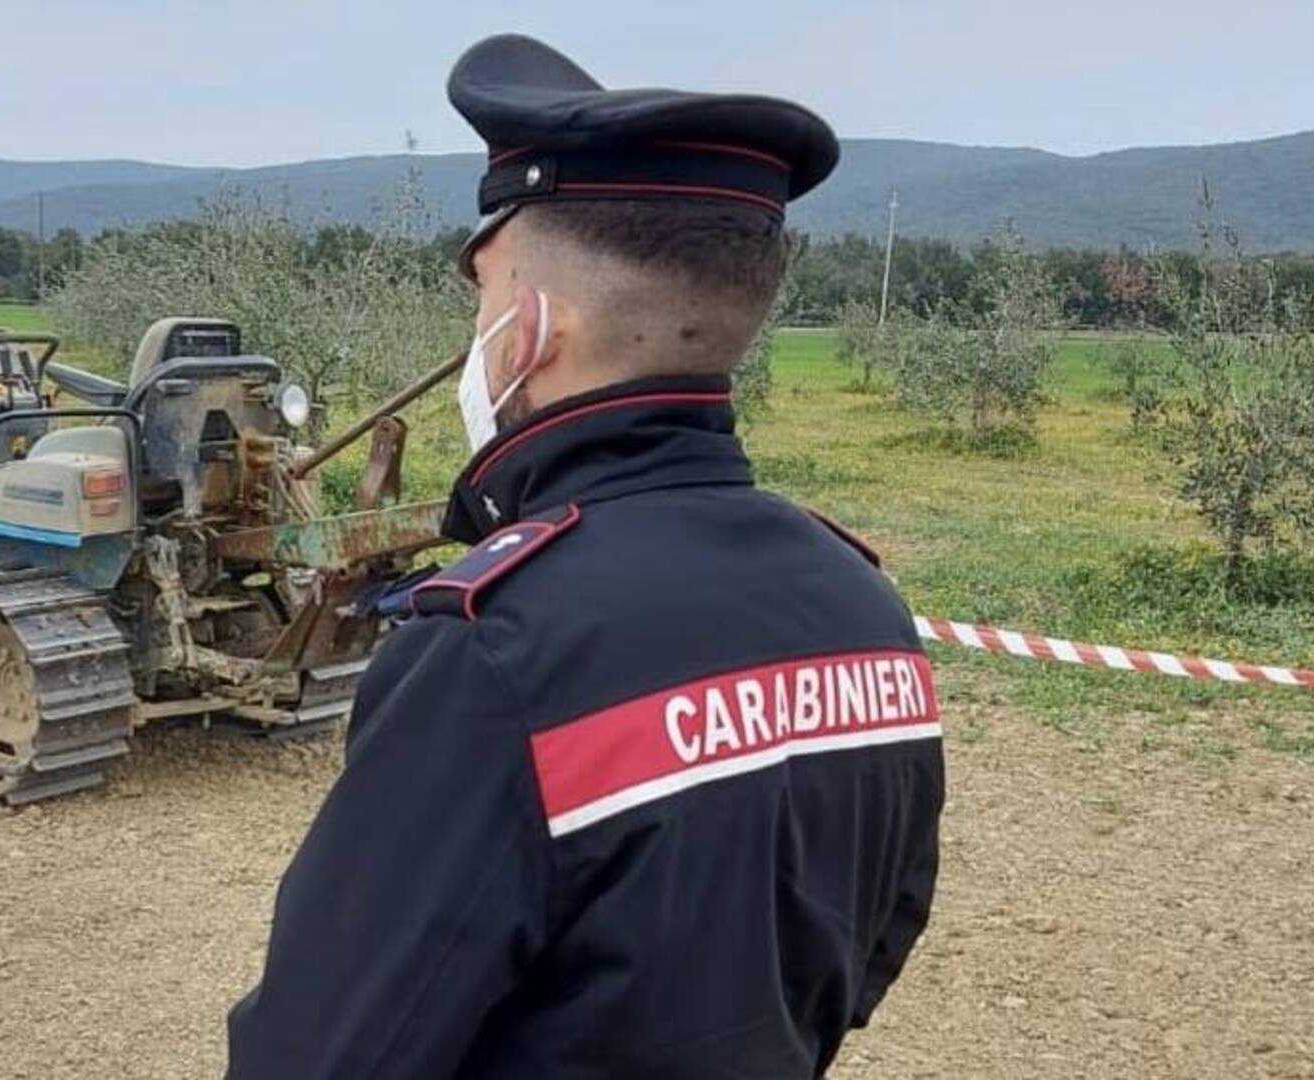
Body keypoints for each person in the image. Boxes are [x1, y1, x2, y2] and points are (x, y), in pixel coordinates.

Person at [227, 33, 944, 1079]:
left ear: (529, 330)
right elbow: (877, 939)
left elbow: (323, 1058)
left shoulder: (495, 655)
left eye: (483, 301)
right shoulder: (862, 604)